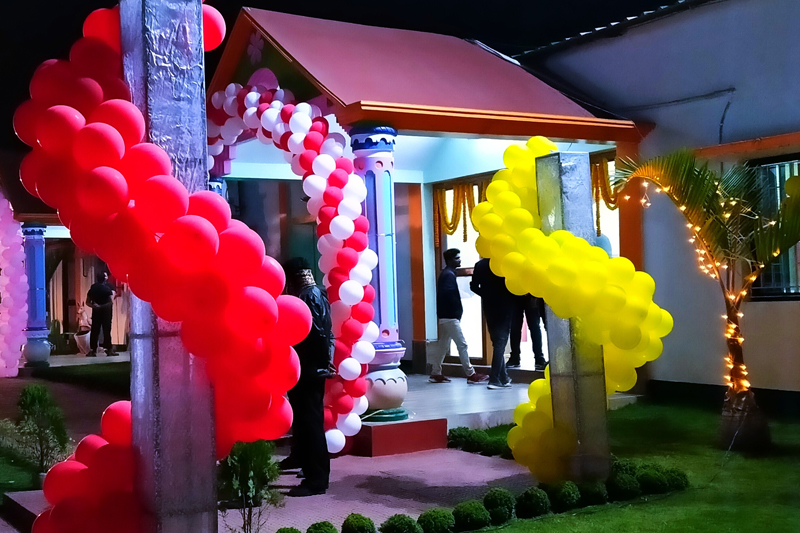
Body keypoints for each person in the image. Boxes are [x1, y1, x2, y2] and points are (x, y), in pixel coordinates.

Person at [281, 257, 333, 497]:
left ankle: (316, 480)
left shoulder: (307, 297)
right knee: (305, 420)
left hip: (308, 370)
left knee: (310, 422)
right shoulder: (316, 293)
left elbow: (313, 336)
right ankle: (302, 459)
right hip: (311, 368)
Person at [429, 248, 487, 384]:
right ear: (449, 260)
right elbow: (448, 295)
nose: (459, 260)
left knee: (443, 346)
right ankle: (471, 374)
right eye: (456, 258)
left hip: (446, 316)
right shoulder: (449, 275)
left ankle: (435, 372)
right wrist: (456, 311)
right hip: (450, 317)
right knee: (462, 344)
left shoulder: (447, 274)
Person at [470, 258, 513, 389]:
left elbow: (473, 286)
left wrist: (486, 295)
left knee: (497, 342)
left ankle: (504, 378)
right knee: (500, 342)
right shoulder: (503, 262)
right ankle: (494, 379)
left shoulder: (480, 265)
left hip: (489, 307)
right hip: (504, 306)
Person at [508, 295, 547, 370]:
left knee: (534, 327)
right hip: (517, 295)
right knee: (516, 327)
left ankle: (538, 357)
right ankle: (515, 357)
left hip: (530, 295)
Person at [86, 271, 117, 357]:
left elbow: (87, 301)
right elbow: (111, 301)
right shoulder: (109, 287)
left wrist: (95, 306)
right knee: (107, 330)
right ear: (105, 278)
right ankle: (109, 349)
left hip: (96, 311)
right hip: (107, 312)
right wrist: (103, 306)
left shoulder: (93, 288)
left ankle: (93, 350)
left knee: (95, 330)